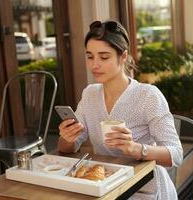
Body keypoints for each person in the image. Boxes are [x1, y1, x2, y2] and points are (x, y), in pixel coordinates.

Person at [58, 20, 183, 199]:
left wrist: (136, 149)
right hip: (105, 187)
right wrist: (67, 137)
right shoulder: (89, 94)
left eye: (104, 57)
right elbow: (67, 148)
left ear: (123, 56)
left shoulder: (147, 95)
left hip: (145, 189)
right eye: (90, 56)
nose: (95, 65)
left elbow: (176, 154)